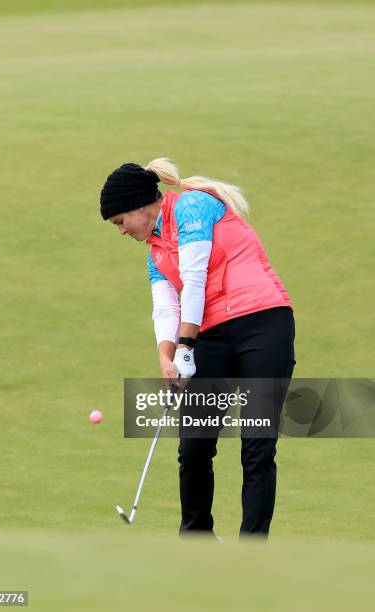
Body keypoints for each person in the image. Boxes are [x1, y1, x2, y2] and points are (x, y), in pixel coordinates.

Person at [100, 158, 296, 538]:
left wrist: (186, 345)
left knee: (257, 445)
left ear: (141, 205)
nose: (121, 231)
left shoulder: (192, 205)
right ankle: (196, 540)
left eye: (120, 221)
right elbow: (165, 307)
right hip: (210, 336)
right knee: (193, 449)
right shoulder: (155, 251)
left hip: (263, 323)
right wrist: (167, 357)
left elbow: (194, 276)